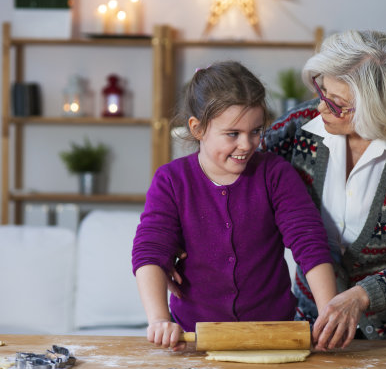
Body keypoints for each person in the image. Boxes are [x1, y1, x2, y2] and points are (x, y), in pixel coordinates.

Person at [261, 30, 386, 350]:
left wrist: (360, 297)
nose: (320, 108)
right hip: (314, 323)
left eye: (337, 105)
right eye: (321, 90)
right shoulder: (300, 127)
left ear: (376, 110)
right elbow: (235, 178)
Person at [132, 61, 337, 351]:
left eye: (256, 131)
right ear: (197, 128)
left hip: (272, 335)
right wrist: (159, 321)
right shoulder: (171, 180)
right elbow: (150, 252)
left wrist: (329, 311)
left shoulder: (275, 174)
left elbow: (309, 242)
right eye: (233, 134)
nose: (247, 144)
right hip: (194, 338)